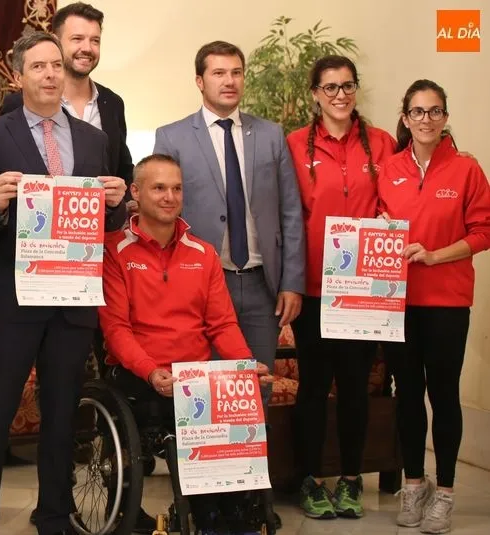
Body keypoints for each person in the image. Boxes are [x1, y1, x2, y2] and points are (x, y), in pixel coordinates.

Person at [0, 32, 127, 535]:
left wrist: (117, 204)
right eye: (39, 67)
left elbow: (107, 226)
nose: (51, 74)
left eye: (56, 65)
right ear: (19, 76)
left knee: (61, 417)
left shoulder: (95, 141)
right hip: (14, 301)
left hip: (73, 302)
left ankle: (55, 516)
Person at [99, 153, 273, 532]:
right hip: (141, 375)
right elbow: (116, 330)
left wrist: (244, 366)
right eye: (159, 187)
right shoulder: (114, 251)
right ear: (136, 192)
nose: (169, 196)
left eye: (176, 188)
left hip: (196, 376)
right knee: (198, 410)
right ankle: (208, 517)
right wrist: (152, 372)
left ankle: (237, 516)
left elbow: (222, 325)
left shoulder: (204, 253)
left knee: (239, 408)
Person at [153, 41, 305, 400]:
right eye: (219, 73)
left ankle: (257, 459)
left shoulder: (271, 135)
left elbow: (291, 212)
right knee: (205, 395)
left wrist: (292, 283)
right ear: (199, 80)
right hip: (200, 285)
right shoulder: (171, 137)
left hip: (261, 286)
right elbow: (160, 213)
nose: (229, 81)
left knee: (255, 393)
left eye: (236, 72)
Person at [284, 55, 396, 520]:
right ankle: (310, 478)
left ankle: (351, 479)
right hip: (312, 287)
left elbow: (402, 195)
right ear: (315, 94)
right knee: (313, 386)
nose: (339, 95)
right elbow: (287, 217)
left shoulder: (383, 143)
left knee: (354, 388)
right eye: (329, 87)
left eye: (347, 86)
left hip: (364, 289)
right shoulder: (292, 144)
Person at [377, 80, 490, 535]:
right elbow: (374, 225)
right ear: (405, 118)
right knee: (406, 395)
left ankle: (444, 492)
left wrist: (434, 255)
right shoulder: (388, 168)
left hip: (446, 301)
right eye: (418, 112)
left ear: (445, 117)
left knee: (442, 395)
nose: (426, 119)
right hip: (396, 301)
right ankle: (413, 483)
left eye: (435, 111)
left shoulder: (466, 169)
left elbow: (484, 232)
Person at [0, 2, 133, 195]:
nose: (87, 48)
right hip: (33, 221)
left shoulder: (112, 103)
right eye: (77, 39)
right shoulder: (17, 104)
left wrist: (123, 200)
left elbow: (122, 169)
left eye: (95, 40)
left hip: (95, 222)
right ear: (56, 41)